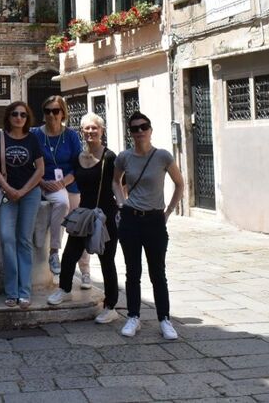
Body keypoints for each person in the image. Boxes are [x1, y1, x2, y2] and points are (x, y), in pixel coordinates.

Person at [113, 111, 184, 340]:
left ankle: (164, 319)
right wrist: (121, 204)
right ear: (131, 133)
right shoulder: (124, 157)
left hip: (155, 220)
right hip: (131, 219)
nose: (140, 131)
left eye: (144, 127)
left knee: (158, 272)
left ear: (150, 130)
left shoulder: (163, 156)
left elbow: (180, 184)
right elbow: (115, 181)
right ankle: (133, 317)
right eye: (135, 128)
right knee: (132, 272)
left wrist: (168, 212)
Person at [46, 113, 119, 324]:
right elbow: (71, 175)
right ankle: (64, 289)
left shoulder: (109, 157)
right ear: (81, 131)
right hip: (84, 213)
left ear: (102, 130)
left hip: (105, 214)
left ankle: (111, 306)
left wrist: (124, 207)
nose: (90, 132)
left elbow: (119, 184)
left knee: (107, 260)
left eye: (94, 128)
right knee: (70, 253)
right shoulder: (79, 157)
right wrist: (55, 184)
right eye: (86, 128)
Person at [0, 101, 45, 309]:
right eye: (15, 114)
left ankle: (24, 292)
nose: (19, 118)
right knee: (7, 238)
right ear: (8, 116)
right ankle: (11, 291)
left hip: (30, 194)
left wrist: (22, 191)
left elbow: (40, 169)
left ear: (27, 118)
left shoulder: (33, 138)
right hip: (6, 194)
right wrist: (8, 188)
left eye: (23, 114)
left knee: (24, 240)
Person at [32, 95, 85, 280]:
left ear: (63, 113)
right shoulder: (35, 134)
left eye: (55, 111)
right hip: (42, 183)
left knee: (79, 228)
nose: (51, 115)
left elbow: (78, 165)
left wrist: (62, 183)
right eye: (47, 111)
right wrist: (41, 182)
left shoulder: (71, 135)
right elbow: (29, 163)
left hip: (69, 184)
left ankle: (85, 271)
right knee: (62, 203)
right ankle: (54, 252)